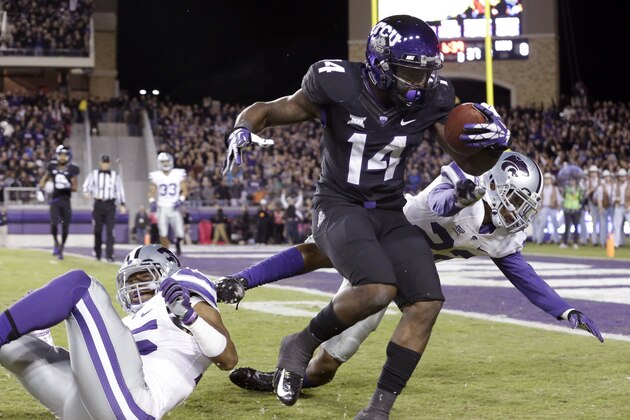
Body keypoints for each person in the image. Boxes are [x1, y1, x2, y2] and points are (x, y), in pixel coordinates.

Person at [222, 15, 511, 416]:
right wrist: (242, 129)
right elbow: (269, 110)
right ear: (380, 63)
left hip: (389, 208)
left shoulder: (435, 97)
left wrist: (489, 143)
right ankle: (300, 343)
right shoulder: (337, 82)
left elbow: (467, 159)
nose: (420, 82)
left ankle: (377, 410)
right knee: (377, 289)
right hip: (339, 203)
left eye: (426, 72)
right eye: (410, 71)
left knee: (427, 303)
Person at [217, 153, 603, 396]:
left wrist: (564, 310)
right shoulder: (462, 187)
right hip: (382, 225)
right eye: (517, 200)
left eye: (525, 205)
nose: (519, 213)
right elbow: (440, 200)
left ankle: (278, 380)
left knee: (330, 364)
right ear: (495, 186)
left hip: (397, 273)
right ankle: (242, 280)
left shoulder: (503, 236)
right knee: (319, 249)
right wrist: (462, 196)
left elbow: (525, 277)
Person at [0, 244, 238, 419]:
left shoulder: (181, 295)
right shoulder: (129, 320)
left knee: (79, 285)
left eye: (143, 277)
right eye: (129, 281)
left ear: (167, 275)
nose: (134, 287)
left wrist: (191, 317)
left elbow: (228, 358)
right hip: (86, 406)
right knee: (13, 344)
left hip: (134, 404)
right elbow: (101, 366)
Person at [36, 145, 80, 260]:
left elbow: (75, 187)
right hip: (55, 200)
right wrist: (40, 189)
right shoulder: (52, 166)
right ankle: (56, 242)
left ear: (68, 156)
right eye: (60, 155)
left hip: (65, 200)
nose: (62, 157)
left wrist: (66, 186)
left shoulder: (72, 169)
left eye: (64, 155)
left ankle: (61, 248)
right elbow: (44, 180)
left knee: (65, 226)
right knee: (54, 224)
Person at [82, 154, 127, 262]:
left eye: (107, 163)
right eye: (103, 162)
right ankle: (97, 253)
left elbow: (120, 190)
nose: (105, 164)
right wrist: (87, 194)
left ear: (109, 163)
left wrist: (122, 204)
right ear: (100, 163)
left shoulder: (115, 175)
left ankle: (109, 254)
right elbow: (85, 187)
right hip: (98, 204)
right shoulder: (93, 174)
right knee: (97, 230)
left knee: (110, 231)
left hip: (110, 205)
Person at [148, 152, 188, 256]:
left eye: (167, 161)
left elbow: (185, 190)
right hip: (162, 207)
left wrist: (181, 199)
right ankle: (167, 253)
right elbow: (151, 192)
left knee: (180, 233)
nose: (165, 164)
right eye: (163, 162)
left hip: (174, 206)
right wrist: (152, 201)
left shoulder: (178, 174)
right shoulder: (156, 175)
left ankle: (178, 242)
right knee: (163, 233)